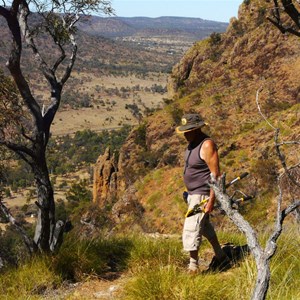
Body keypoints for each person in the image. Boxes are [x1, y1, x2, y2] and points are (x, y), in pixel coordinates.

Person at [176, 113, 230, 273]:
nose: (185, 134)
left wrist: (211, 201)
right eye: (184, 131)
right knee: (204, 227)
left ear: (198, 129)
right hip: (193, 194)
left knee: (192, 229)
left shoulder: (207, 145)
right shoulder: (192, 143)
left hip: (202, 195)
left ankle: (193, 267)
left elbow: (216, 176)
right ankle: (222, 257)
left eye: (188, 131)